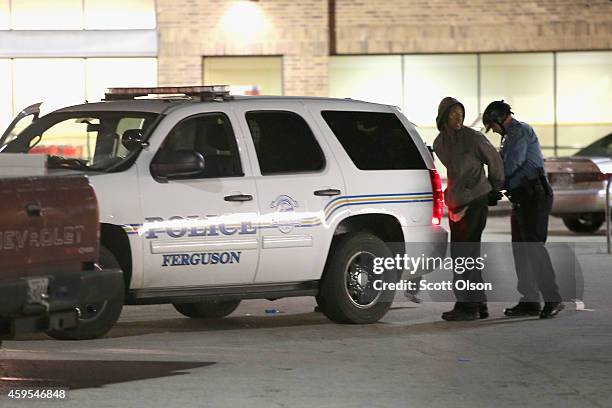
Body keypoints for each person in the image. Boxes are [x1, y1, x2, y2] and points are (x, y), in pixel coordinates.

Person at [482, 100, 564, 319]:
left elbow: (511, 165)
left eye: (493, 126)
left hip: (534, 198)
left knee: (535, 249)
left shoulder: (520, 131)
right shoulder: (508, 136)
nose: (494, 131)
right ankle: (529, 301)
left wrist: (493, 186)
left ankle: (553, 298)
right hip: (521, 199)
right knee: (521, 251)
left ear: (499, 119)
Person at [434, 97, 505, 321]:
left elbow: (495, 161)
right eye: (453, 113)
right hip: (457, 202)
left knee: (465, 255)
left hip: (476, 199)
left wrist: (495, 187)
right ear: (443, 116)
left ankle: (468, 307)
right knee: (464, 255)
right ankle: (478, 304)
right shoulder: (439, 143)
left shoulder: (473, 138)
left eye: (461, 113)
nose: (459, 117)